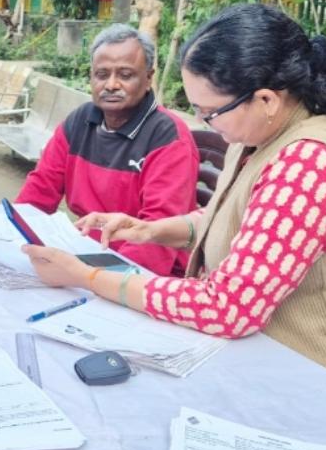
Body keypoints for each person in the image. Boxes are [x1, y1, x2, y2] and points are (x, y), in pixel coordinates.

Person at [21, 4, 326, 407]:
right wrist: (153, 228)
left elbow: (227, 307)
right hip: (262, 365)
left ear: (266, 100)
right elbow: (243, 220)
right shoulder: (258, 138)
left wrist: (87, 277)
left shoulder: (308, 161)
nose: (205, 123)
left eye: (210, 112)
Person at [15, 24, 199, 275]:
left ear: (148, 78)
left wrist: (91, 278)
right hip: (83, 252)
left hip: (145, 273)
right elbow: (38, 193)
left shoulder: (168, 138)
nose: (111, 85)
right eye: (102, 74)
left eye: (125, 75)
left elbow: (156, 240)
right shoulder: (78, 122)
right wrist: (14, 238)